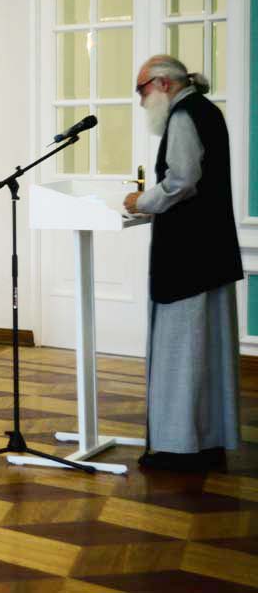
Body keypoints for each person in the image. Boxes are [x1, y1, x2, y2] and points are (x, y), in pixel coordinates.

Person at [122, 55, 243, 472]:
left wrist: (142, 200)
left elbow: (181, 181)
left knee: (182, 354)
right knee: (209, 355)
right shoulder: (208, 111)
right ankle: (210, 441)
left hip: (188, 258)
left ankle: (180, 448)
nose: (141, 101)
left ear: (163, 84)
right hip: (213, 251)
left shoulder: (184, 116)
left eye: (142, 90)